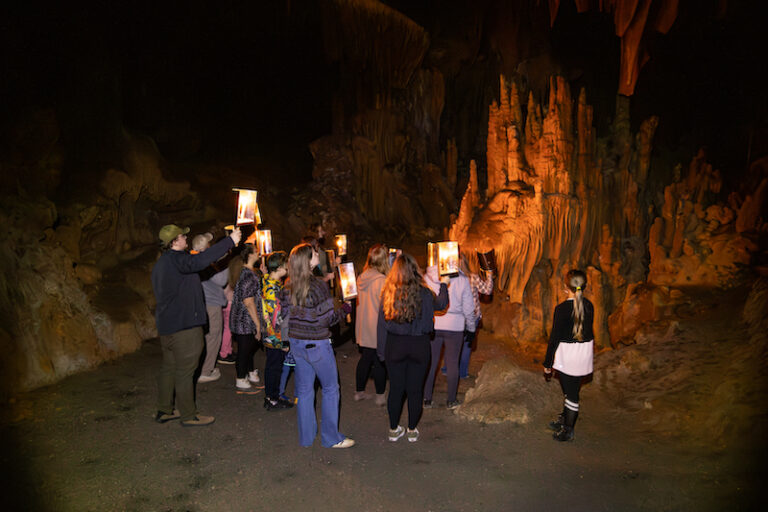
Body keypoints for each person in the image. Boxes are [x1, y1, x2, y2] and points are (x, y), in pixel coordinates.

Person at [152, 223, 241, 427]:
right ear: (174, 242)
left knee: (169, 368)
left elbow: (198, 261)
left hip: (167, 326)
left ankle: (164, 410)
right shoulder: (179, 260)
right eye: (182, 237)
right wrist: (230, 241)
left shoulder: (162, 263)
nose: (185, 239)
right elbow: (200, 260)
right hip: (184, 327)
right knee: (186, 371)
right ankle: (189, 415)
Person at [281, 243, 354, 448]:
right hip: (317, 344)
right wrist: (346, 307)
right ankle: (331, 438)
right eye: (314, 254)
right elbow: (327, 319)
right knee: (331, 388)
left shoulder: (288, 285)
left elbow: (286, 316)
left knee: (304, 391)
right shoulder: (318, 286)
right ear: (308, 261)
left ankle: (306, 437)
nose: (317, 255)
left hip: (297, 343)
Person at [377, 253, 449, 443]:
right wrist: (443, 284)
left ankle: (393, 430)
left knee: (396, 389)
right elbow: (441, 304)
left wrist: (381, 351)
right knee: (415, 390)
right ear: (415, 270)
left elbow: (381, 324)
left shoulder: (388, 293)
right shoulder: (424, 293)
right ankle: (411, 430)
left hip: (395, 345)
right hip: (419, 345)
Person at [543, 269, 594, 442]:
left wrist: (547, 362)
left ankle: (568, 431)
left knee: (571, 394)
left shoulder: (562, 309)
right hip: (583, 355)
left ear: (566, 287)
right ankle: (565, 419)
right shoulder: (589, 306)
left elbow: (554, 338)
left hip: (568, 356)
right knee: (571, 390)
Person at [423, 254, 476, 409]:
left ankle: (427, 398)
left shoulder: (427, 277)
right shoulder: (462, 280)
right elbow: (468, 308)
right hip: (455, 326)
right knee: (453, 363)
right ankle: (451, 400)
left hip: (434, 323)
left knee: (431, 362)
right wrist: (471, 328)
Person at [442, 254, 493, 379]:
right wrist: (489, 275)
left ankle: (447, 368)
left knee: (453, 344)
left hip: (455, 316)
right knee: (466, 345)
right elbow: (487, 290)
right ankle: (462, 372)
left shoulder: (448, 278)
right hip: (471, 315)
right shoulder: (472, 278)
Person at [191, 232, 229, 384]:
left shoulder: (193, 260)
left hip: (201, 302)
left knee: (204, 337)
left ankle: (201, 367)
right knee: (213, 337)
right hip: (211, 304)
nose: (210, 246)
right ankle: (206, 370)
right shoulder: (204, 262)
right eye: (208, 244)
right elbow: (221, 280)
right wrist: (226, 262)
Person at [354, 244, 389, 405]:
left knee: (365, 359)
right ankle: (380, 395)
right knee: (379, 361)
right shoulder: (381, 280)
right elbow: (386, 306)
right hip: (376, 327)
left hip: (363, 326)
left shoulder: (361, 277)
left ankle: (359, 391)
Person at [260, 251, 294, 411]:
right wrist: (284, 341)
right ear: (280, 267)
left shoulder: (270, 282)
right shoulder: (272, 289)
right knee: (274, 367)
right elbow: (276, 318)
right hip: (274, 336)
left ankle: (273, 396)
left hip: (271, 334)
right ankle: (272, 398)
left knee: (274, 366)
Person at [230, 243, 263, 392]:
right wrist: (257, 324)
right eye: (256, 251)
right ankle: (240, 379)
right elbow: (248, 302)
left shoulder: (247, 272)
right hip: (244, 320)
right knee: (244, 350)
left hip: (241, 319)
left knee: (248, 349)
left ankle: (249, 374)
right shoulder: (248, 275)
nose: (259, 254)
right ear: (249, 255)